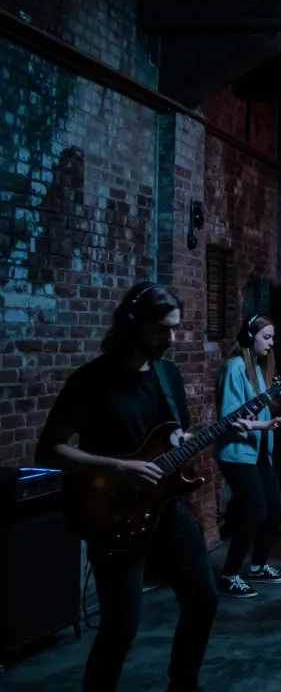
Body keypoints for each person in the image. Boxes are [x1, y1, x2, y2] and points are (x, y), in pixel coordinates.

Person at [35, 282, 219, 692]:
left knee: (204, 599)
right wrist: (119, 468)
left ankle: (183, 684)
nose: (170, 339)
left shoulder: (167, 375)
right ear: (132, 324)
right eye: (161, 330)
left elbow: (175, 439)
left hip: (165, 507)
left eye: (174, 329)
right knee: (121, 626)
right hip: (112, 511)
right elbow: (49, 452)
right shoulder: (91, 381)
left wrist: (207, 437)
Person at [213, 314, 281, 599]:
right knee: (255, 511)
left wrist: (269, 422)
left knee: (274, 507)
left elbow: (256, 411)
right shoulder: (235, 367)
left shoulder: (257, 370)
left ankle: (258, 566)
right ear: (250, 337)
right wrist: (266, 424)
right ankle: (229, 575)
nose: (271, 343)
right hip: (237, 452)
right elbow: (230, 419)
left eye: (272, 338)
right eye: (267, 337)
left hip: (259, 452)